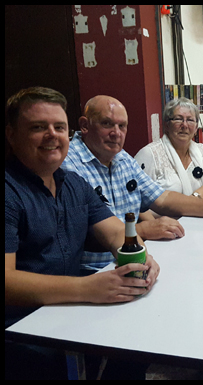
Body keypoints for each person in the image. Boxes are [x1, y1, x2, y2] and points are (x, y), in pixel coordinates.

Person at [5, 87, 160, 379]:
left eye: (59, 127)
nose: (52, 135)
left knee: (138, 344)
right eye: (38, 127)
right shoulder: (8, 191)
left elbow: (116, 232)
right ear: (11, 135)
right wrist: (89, 289)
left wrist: (142, 256)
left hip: (67, 312)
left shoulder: (73, 183)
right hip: (21, 329)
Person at [62, 95, 203, 274]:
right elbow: (79, 233)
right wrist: (144, 230)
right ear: (85, 125)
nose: (116, 133)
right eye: (107, 124)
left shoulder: (122, 158)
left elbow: (162, 198)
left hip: (133, 257)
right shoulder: (66, 163)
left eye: (122, 126)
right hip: (92, 270)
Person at [134, 97, 203, 199]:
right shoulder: (149, 154)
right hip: (163, 215)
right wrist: (191, 205)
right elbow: (137, 199)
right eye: (178, 119)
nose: (184, 125)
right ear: (167, 125)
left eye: (190, 120)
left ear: (196, 128)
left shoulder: (202, 151)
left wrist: (193, 199)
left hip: (200, 214)